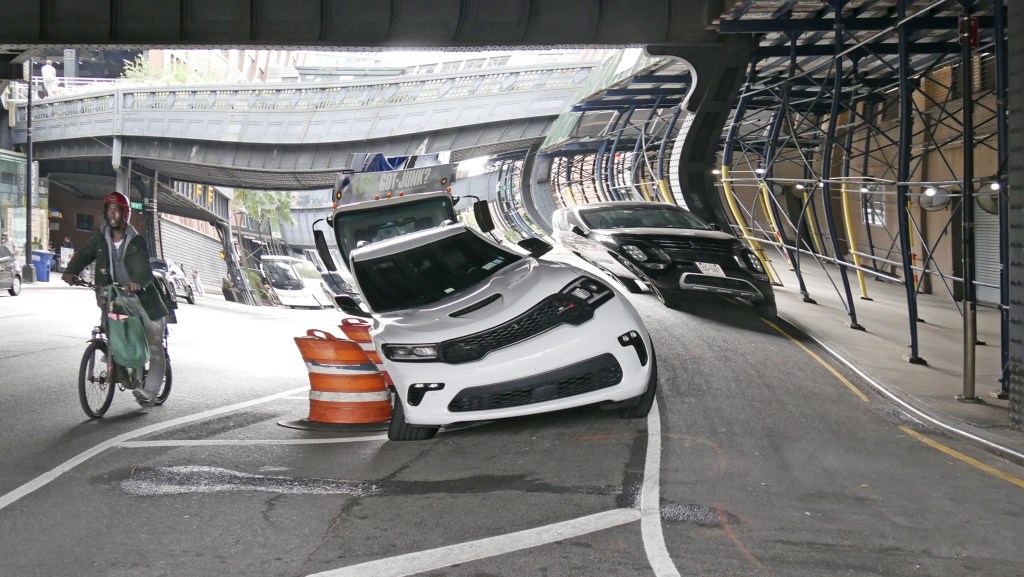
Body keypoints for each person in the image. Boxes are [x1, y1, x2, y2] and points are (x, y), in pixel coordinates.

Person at [62, 192, 170, 408]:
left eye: (117, 209)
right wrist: (71, 271)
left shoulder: (136, 241)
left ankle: (149, 391)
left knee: (154, 345)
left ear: (125, 213)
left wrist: (136, 281)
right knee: (112, 330)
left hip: (143, 299)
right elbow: (84, 254)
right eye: (109, 209)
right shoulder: (100, 238)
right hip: (113, 295)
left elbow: (143, 267)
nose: (113, 214)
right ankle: (120, 368)